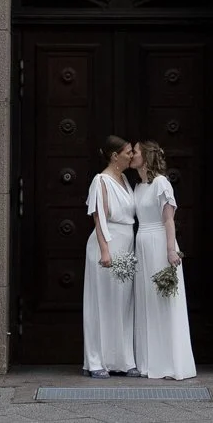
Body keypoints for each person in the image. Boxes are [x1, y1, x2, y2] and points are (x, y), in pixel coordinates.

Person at [131, 140, 196, 380]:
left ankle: (171, 364)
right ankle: (149, 363)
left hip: (160, 243)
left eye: (135, 152)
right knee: (146, 301)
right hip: (142, 243)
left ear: (146, 157)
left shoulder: (161, 184)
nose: (132, 155)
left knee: (164, 301)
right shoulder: (138, 187)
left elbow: (169, 220)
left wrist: (171, 251)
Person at [82, 135, 138, 378]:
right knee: (102, 302)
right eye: (127, 152)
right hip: (107, 242)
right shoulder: (101, 180)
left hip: (126, 243)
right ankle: (96, 361)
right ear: (115, 156)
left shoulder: (124, 178)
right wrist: (105, 250)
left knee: (122, 303)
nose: (132, 155)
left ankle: (123, 360)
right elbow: (99, 216)